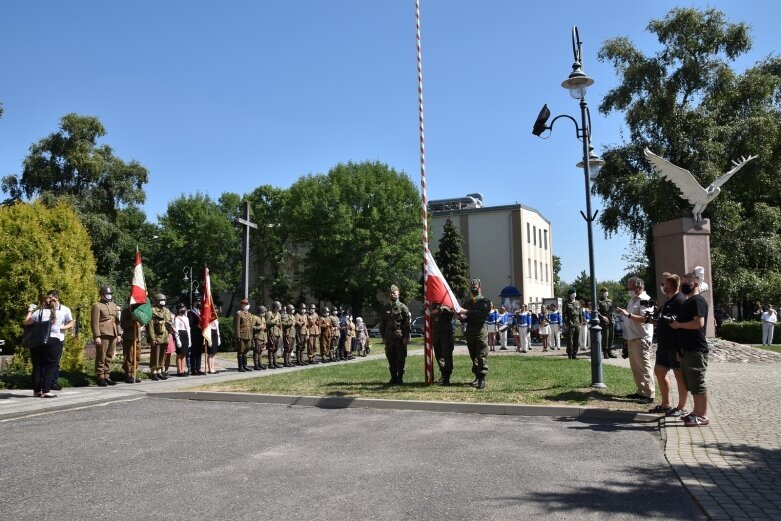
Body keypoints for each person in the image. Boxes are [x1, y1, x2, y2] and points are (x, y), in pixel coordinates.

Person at [670, 271, 711, 427]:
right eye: (684, 280)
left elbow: (698, 323)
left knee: (698, 382)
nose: (684, 283)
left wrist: (678, 325)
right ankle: (696, 412)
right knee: (692, 383)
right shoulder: (689, 301)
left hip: (696, 349)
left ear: (695, 283)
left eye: (687, 280)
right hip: (686, 349)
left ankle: (702, 416)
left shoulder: (697, 301)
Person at [650, 272, 689, 416]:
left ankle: (681, 407)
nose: (662, 286)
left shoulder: (680, 301)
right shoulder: (668, 301)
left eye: (664, 284)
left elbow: (681, 325)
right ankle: (665, 404)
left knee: (679, 375)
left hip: (675, 345)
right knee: (659, 371)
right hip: (663, 345)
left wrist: (681, 349)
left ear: (671, 286)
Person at [24, 290, 74, 397]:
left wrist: (29, 310)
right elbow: (70, 323)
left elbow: (27, 322)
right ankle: (46, 391)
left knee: (37, 366)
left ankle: (37, 391)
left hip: (38, 341)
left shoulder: (39, 312)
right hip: (53, 341)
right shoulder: (60, 313)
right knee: (51, 366)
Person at [615, 277, 656, 404]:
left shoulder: (645, 300)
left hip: (641, 338)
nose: (629, 290)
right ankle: (641, 391)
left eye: (631, 288)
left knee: (644, 366)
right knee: (635, 367)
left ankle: (650, 393)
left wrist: (627, 314)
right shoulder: (632, 300)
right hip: (632, 338)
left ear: (639, 287)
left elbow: (645, 318)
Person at [460, 278, 490, 389]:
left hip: (480, 332)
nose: (473, 288)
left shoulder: (485, 301)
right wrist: (461, 317)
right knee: (473, 356)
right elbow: (466, 318)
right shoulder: (468, 303)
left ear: (480, 288)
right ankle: (477, 376)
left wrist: (466, 312)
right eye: (472, 287)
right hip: (470, 332)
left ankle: (482, 378)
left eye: (475, 286)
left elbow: (482, 314)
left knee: (481, 355)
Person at [91, 285, 122, 387]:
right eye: (106, 294)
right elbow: (94, 322)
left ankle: (107, 375)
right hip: (103, 333)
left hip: (113, 333)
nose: (108, 296)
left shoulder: (113, 305)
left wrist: (118, 334)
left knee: (109, 356)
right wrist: (97, 336)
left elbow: (117, 321)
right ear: (101, 295)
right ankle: (100, 376)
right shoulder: (97, 306)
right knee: (101, 356)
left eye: (110, 294)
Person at [380, 284, 411, 384]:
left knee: (400, 358)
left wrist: (406, 336)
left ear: (398, 294)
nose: (393, 294)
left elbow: (407, 324)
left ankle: (400, 378)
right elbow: (382, 323)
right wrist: (383, 336)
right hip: (389, 337)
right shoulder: (385, 308)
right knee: (390, 357)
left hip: (399, 337)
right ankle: (393, 378)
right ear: (390, 294)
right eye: (392, 293)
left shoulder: (403, 308)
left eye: (395, 293)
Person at [147, 294, 174, 381]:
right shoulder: (153, 311)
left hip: (165, 337)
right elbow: (150, 326)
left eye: (164, 300)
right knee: (155, 355)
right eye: (161, 300)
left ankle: (159, 371)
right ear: (157, 301)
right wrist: (152, 338)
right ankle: (153, 372)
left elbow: (169, 322)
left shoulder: (166, 311)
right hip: (157, 337)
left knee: (162, 356)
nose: (163, 302)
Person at [430, 301, 455, 386]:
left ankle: (447, 377)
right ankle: (443, 374)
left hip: (446, 334)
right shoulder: (432, 305)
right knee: (438, 355)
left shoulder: (447, 302)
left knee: (447, 356)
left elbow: (451, 311)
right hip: (436, 334)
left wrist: (439, 309)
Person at [120, 304, 142, 383]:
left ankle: (134, 373)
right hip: (129, 336)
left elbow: (142, 322)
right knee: (129, 356)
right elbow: (122, 324)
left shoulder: (139, 310)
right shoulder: (126, 310)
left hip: (137, 336)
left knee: (137, 356)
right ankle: (128, 374)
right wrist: (132, 321)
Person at [233, 298, 254, 372]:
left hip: (248, 335)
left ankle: (245, 366)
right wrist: (238, 336)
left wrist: (251, 335)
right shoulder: (239, 313)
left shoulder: (249, 314)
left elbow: (250, 325)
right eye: (244, 304)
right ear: (241, 305)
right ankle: (240, 366)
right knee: (241, 350)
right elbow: (236, 326)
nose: (246, 306)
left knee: (247, 349)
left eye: (247, 304)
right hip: (241, 335)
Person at [596, 287, 615, 358]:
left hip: (611, 320)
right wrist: (602, 317)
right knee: (605, 337)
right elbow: (597, 311)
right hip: (604, 321)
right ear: (601, 293)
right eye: (603, 292)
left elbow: (613, 310)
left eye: (606, 292)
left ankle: (610, 351)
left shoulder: (610, 300)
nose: (605, 293)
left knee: (611, 336)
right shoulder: (599, 301)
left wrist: (613, 317)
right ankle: (605, 352)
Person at [562, 288, 581, 359]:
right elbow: (564, 314)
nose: (574, 294)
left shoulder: (578, 302)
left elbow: (580, 313)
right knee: (570, 340)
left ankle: (575, 353)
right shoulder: (566, 303)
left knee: (576, 339)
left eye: (575, 293)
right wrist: (567, 322)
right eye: (573, 293)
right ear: (570, 295)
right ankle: (570, 354)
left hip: (577, 323)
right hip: (570, 323)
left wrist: (580, 322)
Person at [188, 293, 204, 375]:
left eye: (199, 302)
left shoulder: (201, 312)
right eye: (197, 302)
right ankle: (193, 369)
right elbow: (190, 324)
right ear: (194, 303)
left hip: (200, 334)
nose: (199, 303)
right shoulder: (191, 312)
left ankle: (198, 368)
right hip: (194, 334)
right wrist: (198, 327)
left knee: (199, 352)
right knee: (194, 352)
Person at [173, 303, 191, 377]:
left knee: (184, 354)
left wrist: (189, 340)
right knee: (179, 354)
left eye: (184, 308)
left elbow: (188, 329)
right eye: (181, 308)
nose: (183, 309)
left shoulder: (186, 318)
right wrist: (178, 340)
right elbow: (176, 329)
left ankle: (183, 370)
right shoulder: (177, 318)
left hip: (185, 335)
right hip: (180, 334)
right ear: (178, 310)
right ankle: (179, 370)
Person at [266, 301, 283, 369]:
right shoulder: (269, 313)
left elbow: (280, 324)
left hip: (277, 333)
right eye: (278, 307)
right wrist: (274, 319)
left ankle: (275, 363)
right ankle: (271, 363)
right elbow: (267, 323)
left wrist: (281, 333)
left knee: (276, 348)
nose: (279, 309)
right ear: (275, 307)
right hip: (272, 333)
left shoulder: (278, 314)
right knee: (271, 349)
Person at [251, 305, 267, 370]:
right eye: (263, 312)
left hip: (262, 337)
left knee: (261, 351)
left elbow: (264, 327)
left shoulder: (263, 318)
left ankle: (260, 364)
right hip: (257, 337)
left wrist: (265, 338)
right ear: (260, 311)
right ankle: (256, 365)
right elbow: (252, 327)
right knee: (257, 351)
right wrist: (260, 327)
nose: (264, 313)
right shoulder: (255, 318)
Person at [207, 304, 221, 373]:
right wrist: (209, 339)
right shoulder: (210, 318)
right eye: (215, 309)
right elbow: (208, 328)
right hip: (211, 334)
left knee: (214, 353)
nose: (216, 310)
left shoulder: (216, 318)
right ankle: (210, 369)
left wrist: (218, 337)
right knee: (210, 353)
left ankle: (213, 367)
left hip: (215, 334)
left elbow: (217, 328)